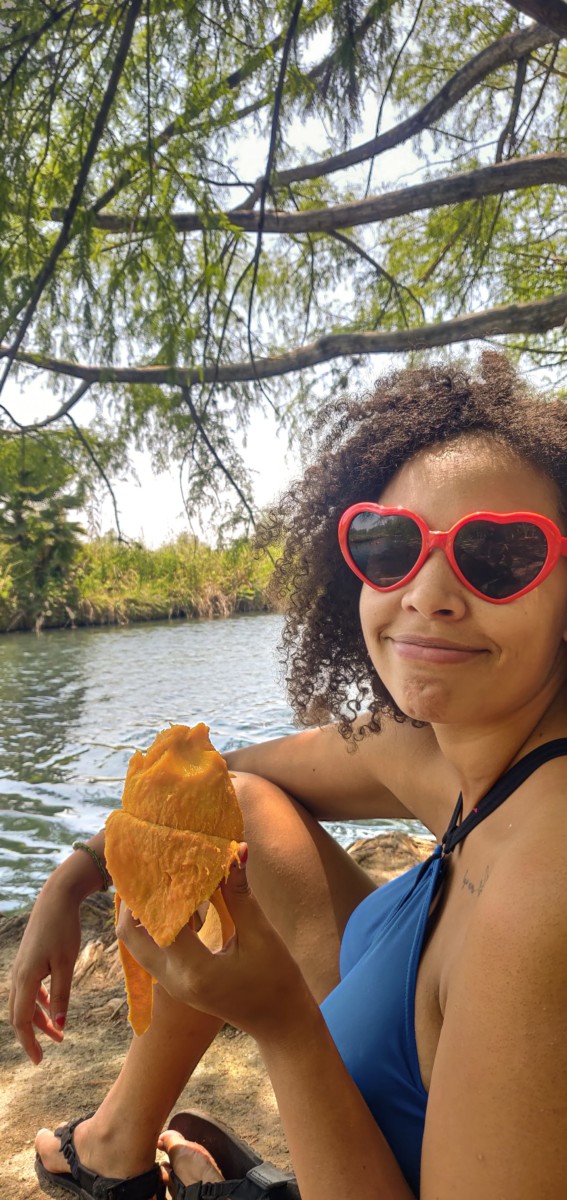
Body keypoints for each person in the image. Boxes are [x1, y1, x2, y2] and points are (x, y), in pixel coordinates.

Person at [9, 352, 567, 1200]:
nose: (430, 593)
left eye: (499, 557)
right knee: (230, 809)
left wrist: (280, 1024)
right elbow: (212, 774)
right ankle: (120, 1143)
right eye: (392, 546)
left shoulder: (545, 886)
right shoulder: (452, 746)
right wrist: (75, 875)